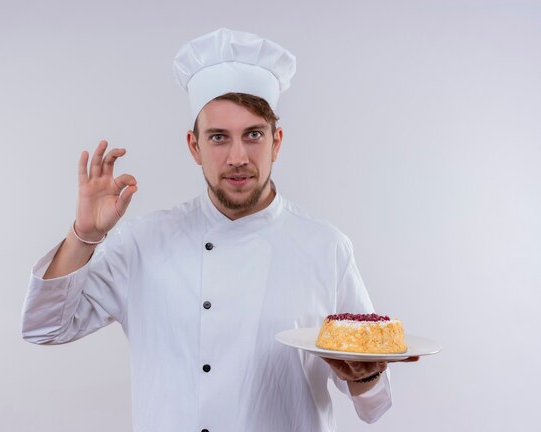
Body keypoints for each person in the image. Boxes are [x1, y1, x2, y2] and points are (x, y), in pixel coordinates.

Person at [21, 28, 417, 432]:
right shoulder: (145, 241)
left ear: (276, 142)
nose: (237, 157)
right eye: (218, 138)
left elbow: (373, 406)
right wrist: (84, 234)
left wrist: (363, 374)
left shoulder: (326, 246)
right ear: (194, 147)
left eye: (253, 135)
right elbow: (43, 327)